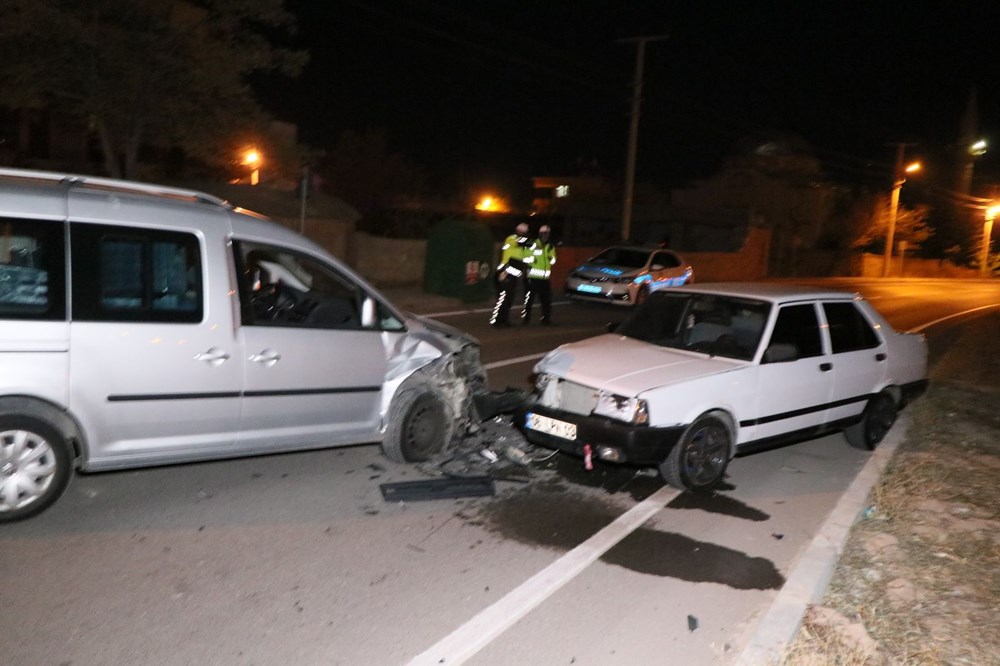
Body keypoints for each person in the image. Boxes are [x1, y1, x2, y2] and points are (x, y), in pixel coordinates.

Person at [489, 222, 531, 327]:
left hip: (513, 275)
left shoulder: (522, 245)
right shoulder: (511, 239)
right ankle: (498, 321)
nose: (522, 234)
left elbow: (527, 255)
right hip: (505, 272)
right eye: (521, 232)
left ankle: (505, 319)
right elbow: (524, 242)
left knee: (509, 299)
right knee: (503, 298)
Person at [522, 224, 556, 325]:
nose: (546, 236)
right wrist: (532, 260)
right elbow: (525, 258)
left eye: (547, 234)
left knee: (546, 300)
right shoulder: (532, 244)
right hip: (532, 277)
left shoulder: (550, 246)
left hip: (545, 278)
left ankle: (546, 319)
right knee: (529, 300)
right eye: (544, 234)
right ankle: (526, 319)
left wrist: (552, 259)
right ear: (540, 234)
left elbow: (553, 259)